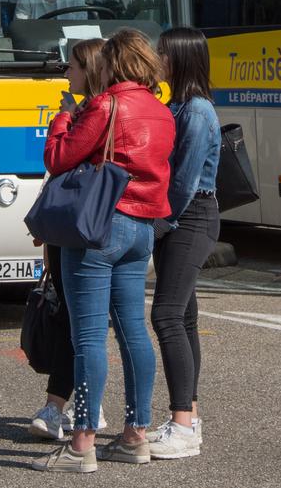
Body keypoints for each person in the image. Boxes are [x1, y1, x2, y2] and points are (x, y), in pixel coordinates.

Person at [36, 30, 174, 473]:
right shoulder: (161, 110)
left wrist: (63, 118)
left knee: (89, 338)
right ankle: (136, 435)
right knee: (134, 330)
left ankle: (82, 445)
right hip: (142, 228)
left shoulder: (105, 104)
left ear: (116, 63)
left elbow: (59, 158)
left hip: (101, 226)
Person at [144, 28, 222, 461]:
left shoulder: (196, 112)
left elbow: (184, 183)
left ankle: (184, 427)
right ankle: (186, 416)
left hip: (190, 216)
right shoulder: (173, 104)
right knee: (185, 318)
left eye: (162, 53)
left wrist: (156, 227)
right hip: (179, 216)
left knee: (167, 316)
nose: (157, 58)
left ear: (182, 58)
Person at [28, 37, 109, 443]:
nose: (66, 72)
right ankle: (79, 403)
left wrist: (61, 118)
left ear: (90, 70)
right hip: (70, 225)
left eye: (72, 66)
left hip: (84, 227)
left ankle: (62, 407)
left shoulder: (92, 112)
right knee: (76, 319)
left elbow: (57, 161)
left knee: (75, 321)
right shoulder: (94, 110)